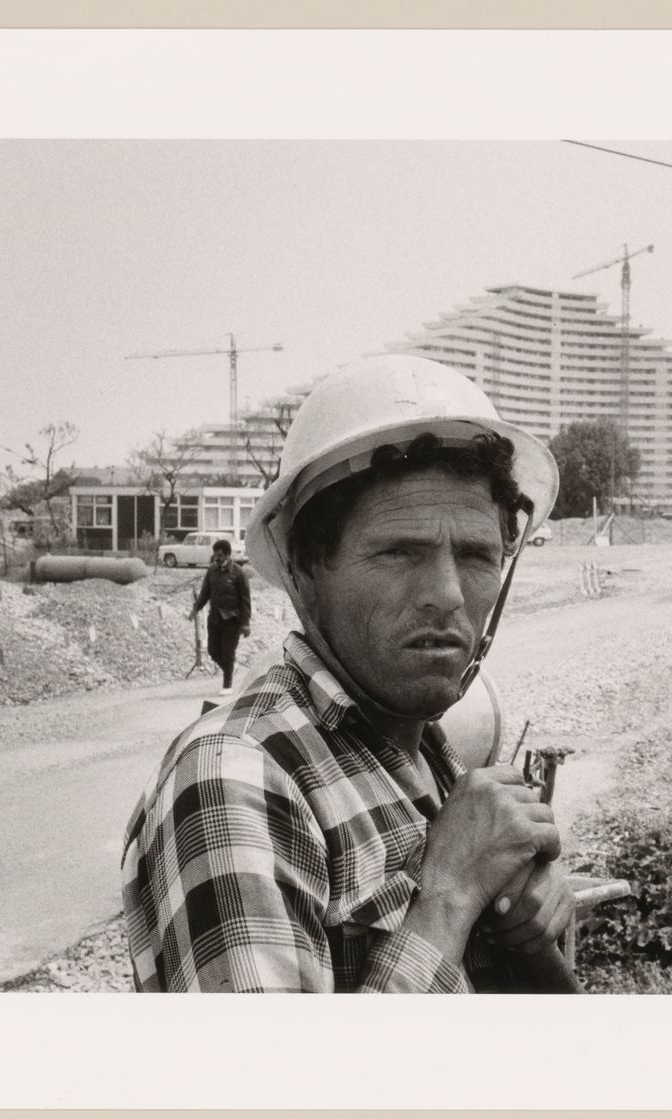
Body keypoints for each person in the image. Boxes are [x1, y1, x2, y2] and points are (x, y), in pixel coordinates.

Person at [122, 354, 574, 992]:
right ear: (306, 571)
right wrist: (448, 898)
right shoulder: (236, 777)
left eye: (476, 554)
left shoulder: (426, 752)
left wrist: (532, 933)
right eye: (399, 552)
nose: (447, 594)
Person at [191, 538, 251, 692]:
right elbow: (205, 593)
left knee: (227, 651)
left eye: (219, 555)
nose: (216, 558)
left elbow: (245, 600)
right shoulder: (211, 571)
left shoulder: (239, 573)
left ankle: (227, 685)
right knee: (212, 650)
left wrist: (245, 623)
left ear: (227, 555)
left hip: (233, 619)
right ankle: (231, 666)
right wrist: (196, 608)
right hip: (215, 618)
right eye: (215, 555)